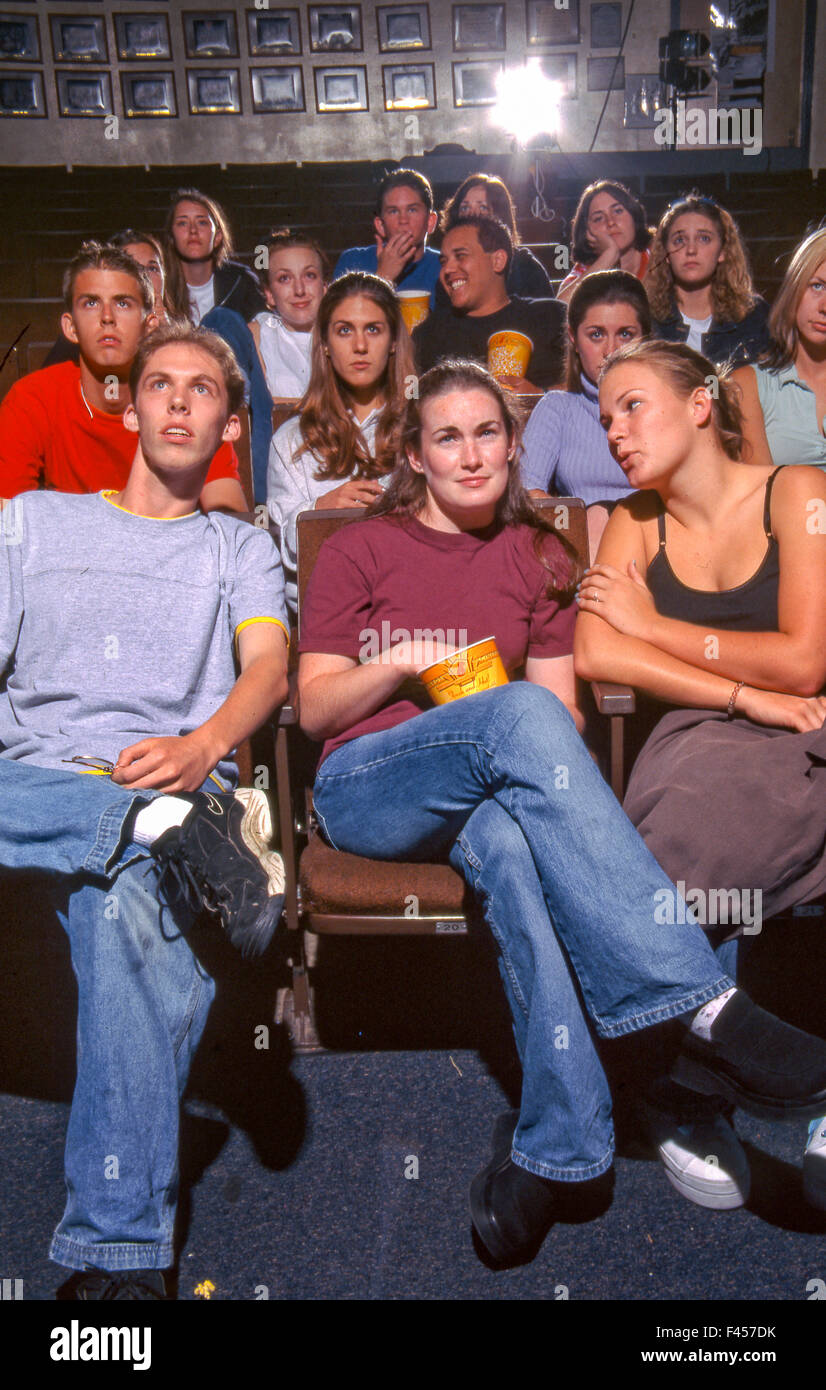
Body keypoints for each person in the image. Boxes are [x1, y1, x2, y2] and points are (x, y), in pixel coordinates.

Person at [296, 356, 826, 1268]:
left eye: (489, 434)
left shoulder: (539, 556)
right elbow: (314, 711)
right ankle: (699, 1004)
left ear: (514, 444)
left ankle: (561, 1152)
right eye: (448, 438)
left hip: (495, 791)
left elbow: (564, 718)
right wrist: (407, 659)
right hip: (372, 786)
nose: (471, 455)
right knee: (522, 715)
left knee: (511, 837)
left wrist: (524, 739)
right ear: (416, 456)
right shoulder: (359, 546)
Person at [0, 321, 290, 1298]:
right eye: (157, 383)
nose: (174, 400)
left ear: (226, 420)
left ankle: (118, 1254)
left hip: (172, 780)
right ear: (129, 404)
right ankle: (141, 831)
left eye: (199, 388)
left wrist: (204, 748)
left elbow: (268, 671)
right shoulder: (31, 521)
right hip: (37, 784)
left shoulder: (234, 548)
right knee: (127, 850)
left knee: (119, 907)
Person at [574, 338, 826, 1211]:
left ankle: (697, 1076)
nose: (615, 431)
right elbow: (596, 645)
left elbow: (803, 661)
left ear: (700, 404)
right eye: (604, 417)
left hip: (808, 725)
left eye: (633, 405)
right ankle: (694, 1092)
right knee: (691, 813)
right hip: (697, 733)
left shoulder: (799, 493)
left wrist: (656, 623)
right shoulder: (630, 521)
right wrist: (732, 692)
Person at [0, 242, 246, 514]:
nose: (107, 317)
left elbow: (229, 520)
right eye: (91, 303)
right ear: (70, 327)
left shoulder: (185, 400)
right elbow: (10, 522)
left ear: (149, 324)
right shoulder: (33, 398)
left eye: (123, 303)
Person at [267, 271, 413, 613]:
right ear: (326, 346)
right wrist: (319, 513)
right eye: (344, 330)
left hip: (415, 610)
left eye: (373, 329)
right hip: (330, 618)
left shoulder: (425, 427)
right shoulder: (291, 440)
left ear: (393, 341)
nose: (360, 346)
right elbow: (283, 565)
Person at [520, 270, 650, 554]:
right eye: (596, 335)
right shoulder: (559, 408)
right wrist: (587, 523)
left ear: (645, 339)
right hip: (580, 548)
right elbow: (527, 494)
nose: (611, 350)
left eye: (625, 334)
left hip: (656, 544)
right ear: (574, 340)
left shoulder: (663, 409)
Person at [412, 216, 566, 393]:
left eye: (461, 256)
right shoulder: (427, 335)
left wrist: (541, 397)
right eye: (444, 261)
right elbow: (408, 395)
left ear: (498, 260)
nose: (447, 269)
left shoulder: (551, 317)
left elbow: (590, 386)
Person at [731, 226, 826, 472]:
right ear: (795, 287)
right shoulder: (748, 384)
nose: (825, 306)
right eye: (817, 286)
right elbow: (762, 493)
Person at [645, 193, 771, 366]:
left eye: (704, 238)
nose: (691, 250)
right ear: (666, 253)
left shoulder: (755, 315)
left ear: (722, 251)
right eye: (679, 240)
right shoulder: (645, 318)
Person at [42, 229, 189, 368]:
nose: (147, 278)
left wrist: (166, 332)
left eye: (152, 268)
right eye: (135, 268)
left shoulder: (183, 330)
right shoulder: (86, 330)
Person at [436, 172, 552, 304]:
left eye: (483, 207)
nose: (472, 215)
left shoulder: (526, 268)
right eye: (465, 207)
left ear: (500, 216)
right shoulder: (450, 271)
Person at [164, 187, 266, 326]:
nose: (193, 231)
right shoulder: (161, 287)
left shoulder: (242, 282)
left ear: (217, 237)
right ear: (171, 237)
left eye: (202, 222)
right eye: (183, 223)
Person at [332, 168, 440, 297]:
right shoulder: (353, 262)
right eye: (393, 211)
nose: (403, 220)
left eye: (412, 210)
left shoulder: (445, 266)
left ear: (430, 222)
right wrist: (383, 276)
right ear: (380, 225)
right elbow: (342, 316)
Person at [250, 229, 328, 399]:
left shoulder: (345, 332)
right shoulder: (259, 334)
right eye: (285, 278)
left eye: (309, 275)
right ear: (269, 293)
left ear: (324, 286)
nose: (299, 290)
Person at [557, 180, 652, 306]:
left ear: (634, 215)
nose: (610, 222)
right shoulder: (584, 272)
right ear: (587, 232)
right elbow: (559, 312)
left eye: (618, 211)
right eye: (598, 218)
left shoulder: (659, 255)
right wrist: (610, 255)